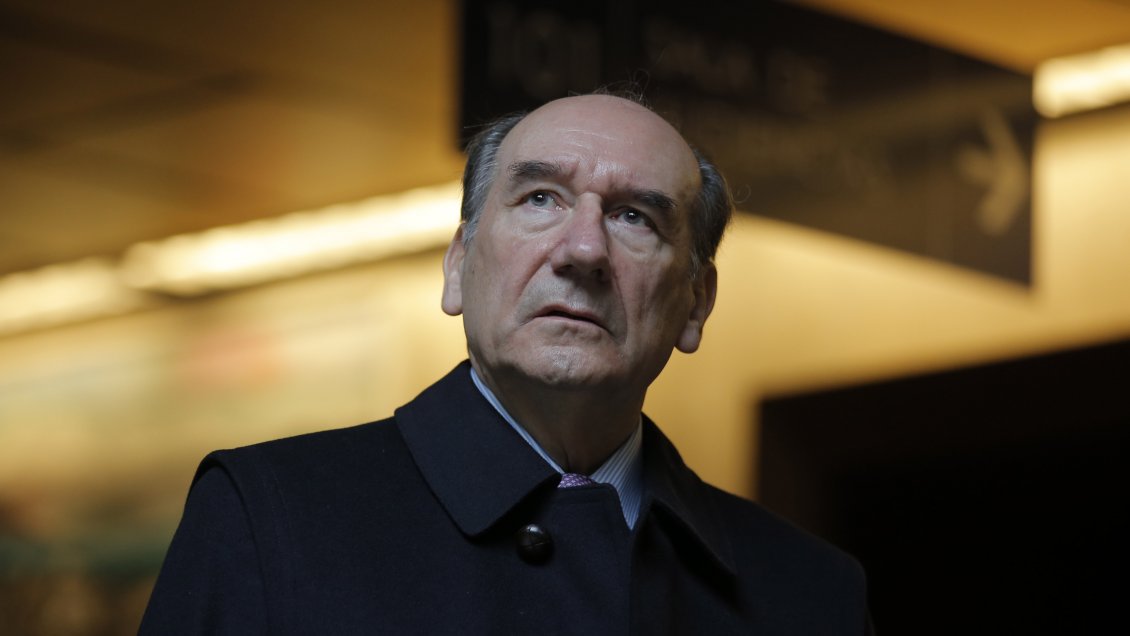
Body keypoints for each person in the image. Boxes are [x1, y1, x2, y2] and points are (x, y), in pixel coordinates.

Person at [140, 93, 873, 634]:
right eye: (540, 198)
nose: (583, 250)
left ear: (695, 303)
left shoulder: (811, 594)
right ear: (458, 266)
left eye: (635, 217)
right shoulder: (269, 519)